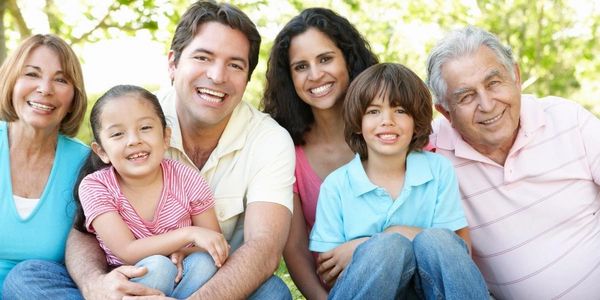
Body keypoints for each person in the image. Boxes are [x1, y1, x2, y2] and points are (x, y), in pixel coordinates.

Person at [65, 1, 296, 299]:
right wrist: (95, 284)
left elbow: (264, 249)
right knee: (30, 276)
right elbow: (83, 231)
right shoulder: (135, 119)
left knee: (272, 293)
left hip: (209, 280)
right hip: (128, 277)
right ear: (173, 63)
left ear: (247, 77)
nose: (217, 75)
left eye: (235, 65)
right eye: (203, 57)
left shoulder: (269, 140)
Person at [427, 26, 600, 299]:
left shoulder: (567, 119)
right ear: (445, 111)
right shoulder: (431, 153)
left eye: (494, 83)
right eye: (466, 96)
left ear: (516, 77)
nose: (487, 104)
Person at [309, 63, 489, 299]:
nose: (387, 121)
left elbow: (454, 252)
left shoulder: (438, 169)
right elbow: (330, 272)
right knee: (388, 250)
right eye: (373, 111)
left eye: (400, 110)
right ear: (358, 123)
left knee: (437, 241)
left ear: (416, 122)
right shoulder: (337, 186)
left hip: (431, 292)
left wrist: (390, 235)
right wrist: (382, 248)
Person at [261, 7, 377, 298]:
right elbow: (296, 249)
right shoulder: (285, 149)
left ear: (348, 60)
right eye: (301, 66)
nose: (315, 75)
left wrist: (366, 247)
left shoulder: (390, 127)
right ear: (289, 77)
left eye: (325, 59)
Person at [74, 85, 228, 298]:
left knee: (205, 262)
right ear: (102, 151)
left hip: (185, 277)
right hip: (128, 283)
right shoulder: (96, 186)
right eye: (118, 134)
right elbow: (127, 251)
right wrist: (188, 234)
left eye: (145, 128)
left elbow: (214, 243)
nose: (134, 140)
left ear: (165, 137)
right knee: (158, 266)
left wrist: (186, 250)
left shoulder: (187, 178)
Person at [0, 34, 89, 296]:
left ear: (74, 96)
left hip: (42, 291)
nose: (45, 88)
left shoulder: (86, 166)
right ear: (12, 81)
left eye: (61, 80)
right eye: (32, 74)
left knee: (24, 280)